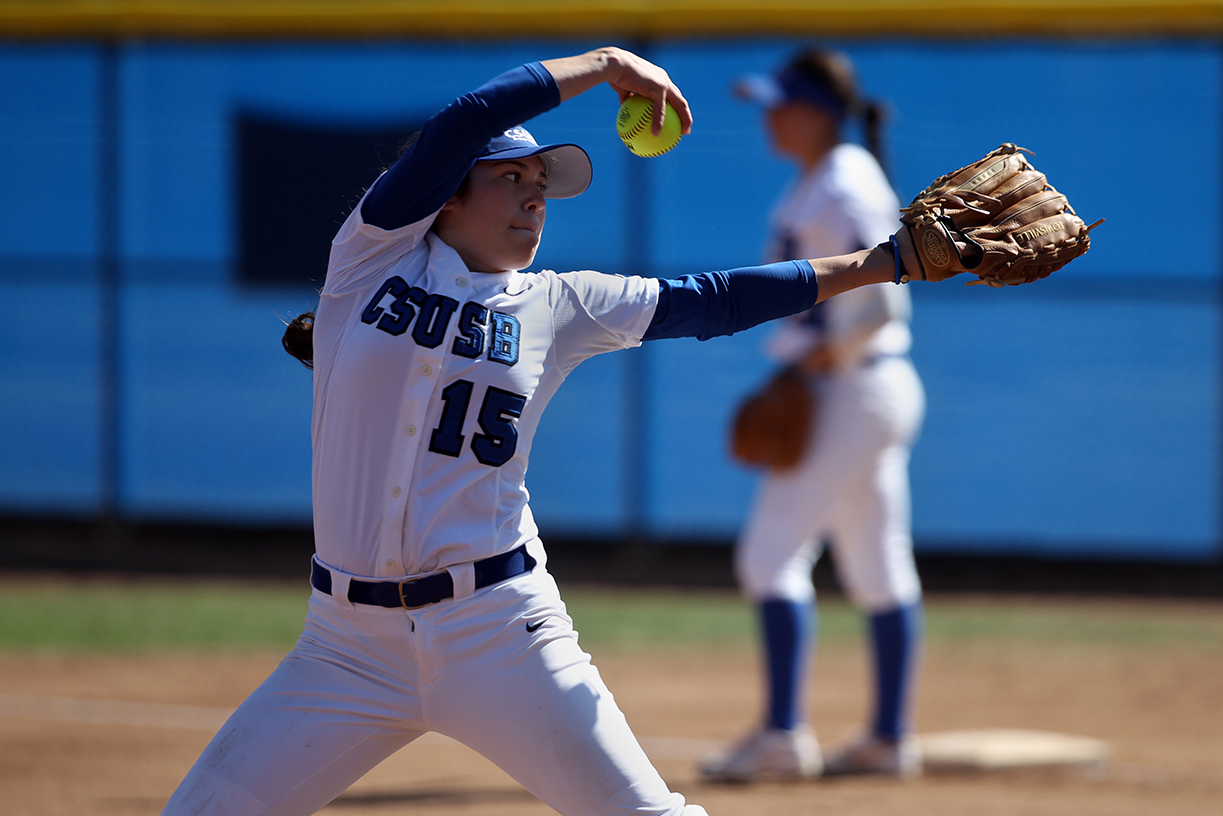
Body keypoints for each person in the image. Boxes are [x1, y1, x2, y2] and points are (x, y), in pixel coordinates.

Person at [162, 46, 935, 816]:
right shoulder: (370, 258)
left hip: (497, 633)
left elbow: (714, 299)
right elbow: (464, 121)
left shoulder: (560, 305)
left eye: (543, 187)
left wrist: (884, 262)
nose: (536, 197)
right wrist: (603, 65)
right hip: (344, 648)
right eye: (512, 178)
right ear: (447, 195)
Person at [698, 47, 926, 783]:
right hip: (868, 387)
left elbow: (884, 293)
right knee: (876, 567)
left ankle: (780, 737)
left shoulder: (843, 183)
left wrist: (816, 359)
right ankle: (888, 740)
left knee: (768, 557)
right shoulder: (827, 178)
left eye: (778, 102)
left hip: (850, 388)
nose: (767, 116)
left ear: (815, 112)